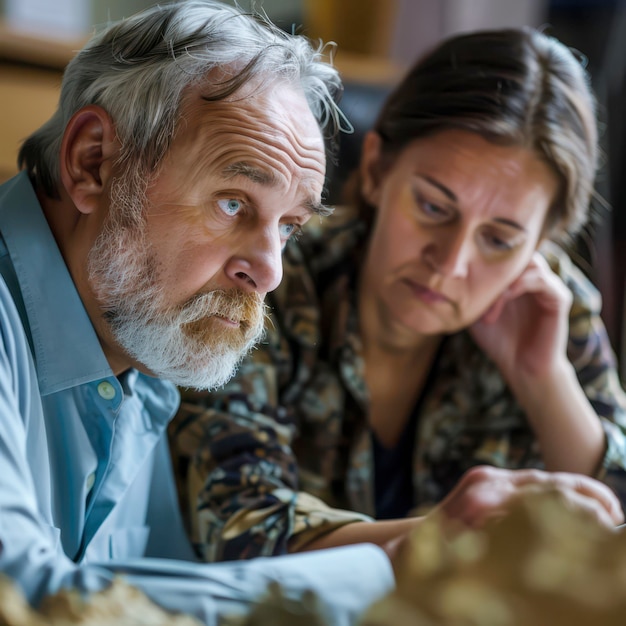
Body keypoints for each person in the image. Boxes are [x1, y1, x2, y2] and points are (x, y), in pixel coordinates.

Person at [0, 1, 401, 623]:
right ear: (93, 162)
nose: (269, 271)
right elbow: (24, 600)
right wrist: (393, 567)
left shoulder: (143, 351)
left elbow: (151, 596)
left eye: (289, 226)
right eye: (234, 203)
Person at [169, 26, 626, 564]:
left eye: (500, 239)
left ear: (542, 241)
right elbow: (235, 524)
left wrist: (545, 381)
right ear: (378, 169)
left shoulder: (549, 305)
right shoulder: (272, 271)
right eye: (433, 207)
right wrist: (450, 534)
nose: (450, 264)